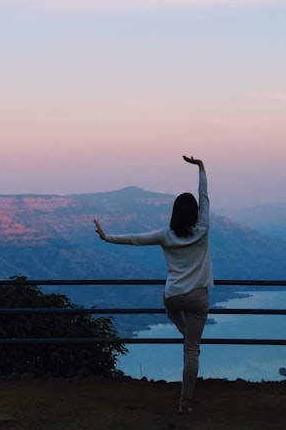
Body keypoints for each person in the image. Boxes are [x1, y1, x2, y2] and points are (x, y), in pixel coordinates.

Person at [94, 155, 212, 415]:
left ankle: (185, 333)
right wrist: (201, 168)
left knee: (170, 309)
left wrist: (106, 237)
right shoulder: (203, 228)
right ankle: (185, 404)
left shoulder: (165, 235)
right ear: (194, 214)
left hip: (173, 296)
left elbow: (135, 239)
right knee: (192, 351)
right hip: (198, 297)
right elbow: (204, 198)